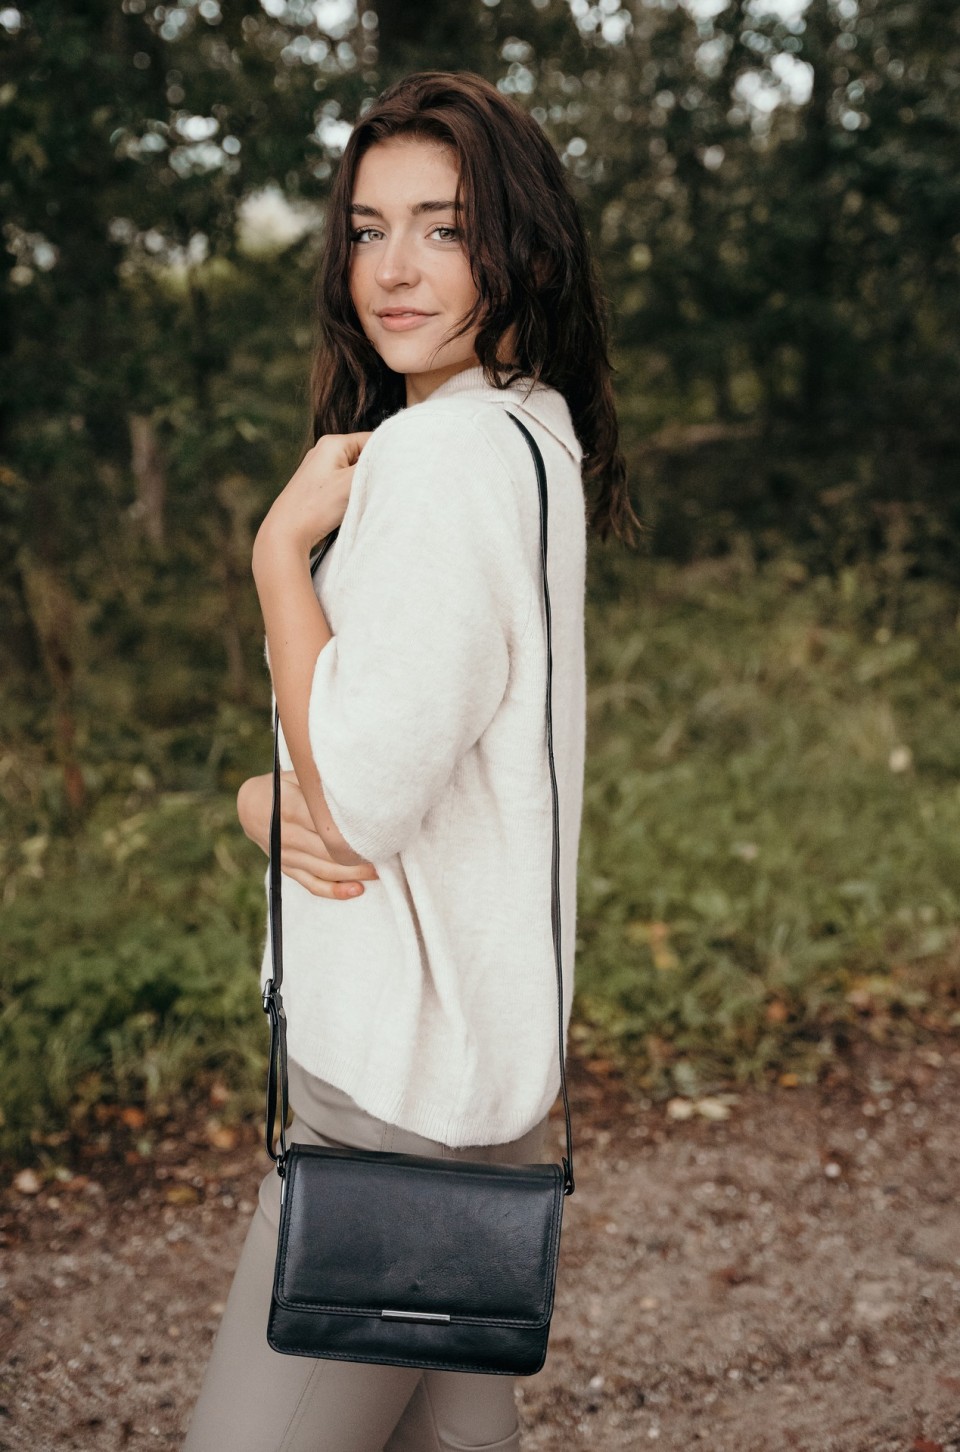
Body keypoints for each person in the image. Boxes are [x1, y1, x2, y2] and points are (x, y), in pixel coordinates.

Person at [182, 69, 636, 1452]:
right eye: (370, 230)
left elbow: (361, 799)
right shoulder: (532, 432)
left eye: (444, 228)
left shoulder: (439, 460)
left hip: (394, 1095)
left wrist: (276, 554)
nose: (394, 269)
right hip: (484, 1081)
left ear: (520, 248)